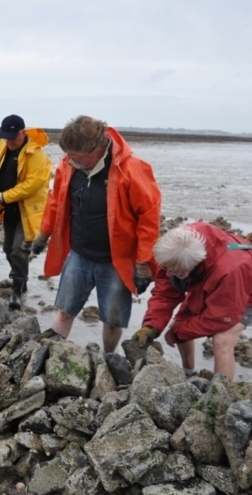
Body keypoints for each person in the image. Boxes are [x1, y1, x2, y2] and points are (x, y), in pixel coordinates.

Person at [31, 116, 161, 352]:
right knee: (64, 310)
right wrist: (43, 234)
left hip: (115, 261)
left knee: (112, 321)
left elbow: (149, 219)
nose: (70, 160)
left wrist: (143, 264)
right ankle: (48, 356)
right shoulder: (68, 166)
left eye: (75, 155)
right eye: (68, 155)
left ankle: (107, 359)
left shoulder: (132, 169)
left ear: (95, 150)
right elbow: (55, 202)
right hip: (79, 255)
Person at [132, 222, 252, 380]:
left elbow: (220, 318)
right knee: (177, 325)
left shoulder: (230, 270)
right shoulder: (174, 250)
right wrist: (152, 325)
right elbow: (165, 292)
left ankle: (220, 395)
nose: (168, 275)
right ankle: (189, 374)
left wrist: (178, 334)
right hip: (207, 277)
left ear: (193, 265)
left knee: (222, 340)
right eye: (166, 268)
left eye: (174, 271)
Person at [0, 115, 52, 310]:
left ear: (22, 133)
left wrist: (2, 197)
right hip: (8, 210)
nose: (9, 142)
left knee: (19, 250)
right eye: (6, 138)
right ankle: (22, 279)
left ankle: (17, 291)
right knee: (8, 249)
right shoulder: (2, 146)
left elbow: (31, 185)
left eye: (12, 138)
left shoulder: (37, 155)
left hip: (27, 211)